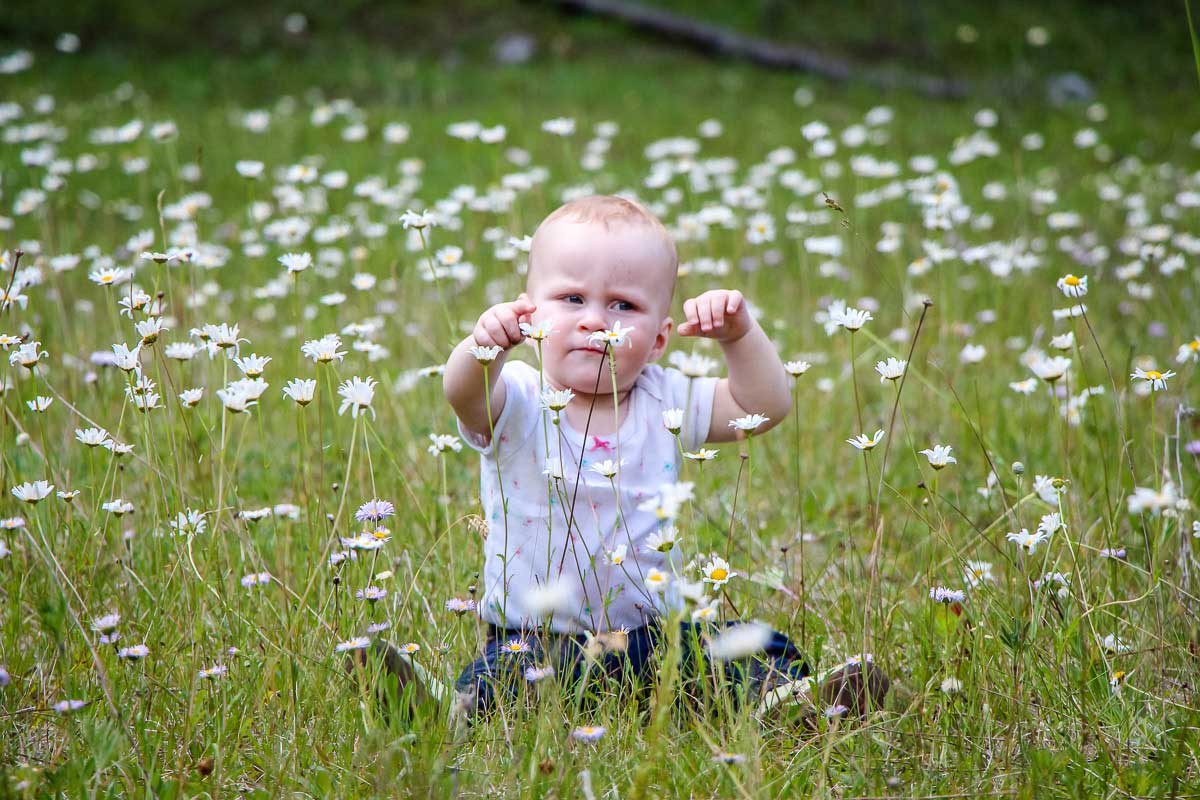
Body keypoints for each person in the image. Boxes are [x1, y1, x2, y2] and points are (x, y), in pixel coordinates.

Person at [358, 195, 887, 723]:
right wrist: (482, 351)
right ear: (528, 313)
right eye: (570, 298)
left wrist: (740, 337)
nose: (595, 321)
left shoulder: (666, 398)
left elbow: (761, 407)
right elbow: (463, 397)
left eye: (623, 306)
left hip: (656, 637)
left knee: (748, 647)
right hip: (540, 636)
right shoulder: (517, 397)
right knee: (510, 677)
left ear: (658, 339)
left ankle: (785, 703)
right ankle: (446, 713)